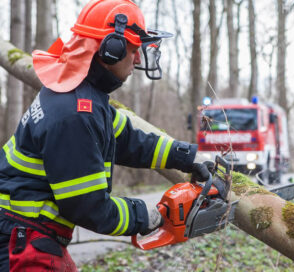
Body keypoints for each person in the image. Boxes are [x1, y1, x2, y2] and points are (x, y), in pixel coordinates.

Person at [0, 0, 211, 270]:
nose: (137, 58)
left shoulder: (80, 93)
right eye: (134, 48)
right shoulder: (76, 112)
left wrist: (187, 156)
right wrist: (149, 216)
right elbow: (89, 207)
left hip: (26, 232)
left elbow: (126, 139)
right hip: (22, 238)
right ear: (110, 49)